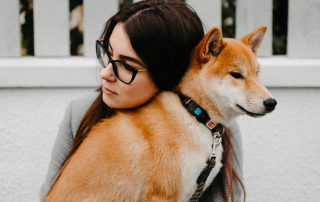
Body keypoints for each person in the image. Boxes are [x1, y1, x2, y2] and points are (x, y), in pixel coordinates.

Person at [40, 0, 244, 201]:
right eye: (108, 54)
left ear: (168, 74)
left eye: (127, 66)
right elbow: (50, 195)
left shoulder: (212, 125)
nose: (105, 73)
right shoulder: (80, 113)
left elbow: (227, 198)